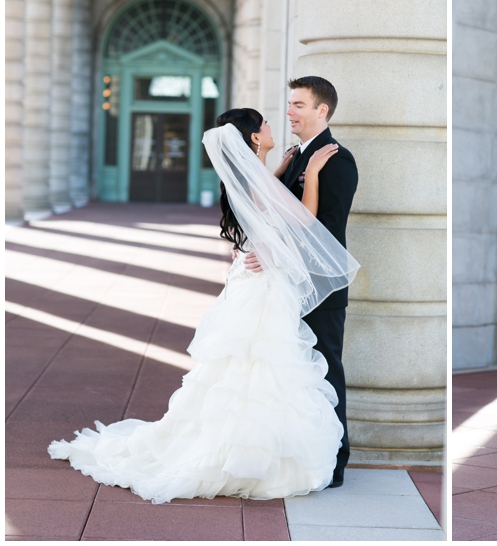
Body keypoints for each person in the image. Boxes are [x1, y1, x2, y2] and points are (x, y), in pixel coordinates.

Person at [48, 108, 359, 504]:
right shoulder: (261, 177)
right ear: (253, 139)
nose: (273, 123)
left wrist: (276, 171)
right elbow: (304, 219)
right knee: (263, 367)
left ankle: (240, 449)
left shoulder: (246, 176)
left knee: (244, 369)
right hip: (263, 286)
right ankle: (250, 456)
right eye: (264, 123)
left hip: (252, 283)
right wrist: (310, 172)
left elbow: (260, 205)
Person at [243, 76, 358, 488]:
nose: (289, 112)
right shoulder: (295, 156)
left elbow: (326, 229)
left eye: (298, 105)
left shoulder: (338, 160)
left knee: (327, 370)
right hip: (286, 286)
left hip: (320, 287)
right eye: (290, 104)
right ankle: (302, 454)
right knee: (296, 373)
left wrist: (277, 254)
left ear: (321, 111)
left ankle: (336, 463)